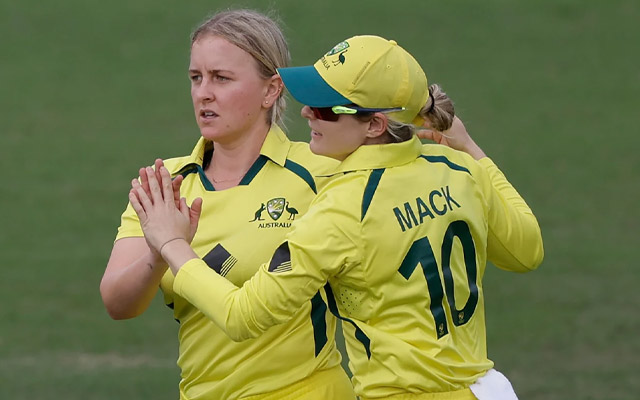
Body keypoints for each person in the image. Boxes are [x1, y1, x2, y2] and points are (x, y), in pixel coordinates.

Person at [131, 35, 544, 399]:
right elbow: (526, 252)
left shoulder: (343, 209)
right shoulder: (457, 169)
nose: (308, 113)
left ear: (375, 125)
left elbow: (243, 316)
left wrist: (171, 244)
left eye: (328, 109)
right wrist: (468, 145)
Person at [100, 9, 357, 400]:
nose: (204, 92)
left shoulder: (321, 172)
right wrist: (160, 245)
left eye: (222, 78)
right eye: (195, 78)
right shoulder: (165, 184)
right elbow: (118, 303)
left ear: (271, 90)